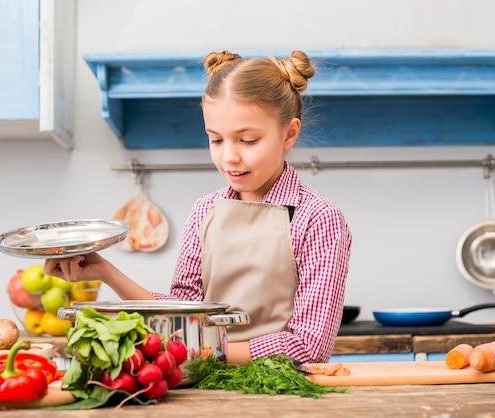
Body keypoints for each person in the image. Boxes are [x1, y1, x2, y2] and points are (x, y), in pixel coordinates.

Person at [44, 50, 352, 365]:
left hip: (282, 395)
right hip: (204, 385)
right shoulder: (205, 210)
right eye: (216, 140)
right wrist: (104, 271)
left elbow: (309, 346)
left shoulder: (317, 217)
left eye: (247, 140)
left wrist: (201, 353)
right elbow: (182, 312)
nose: (229, 157)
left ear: (289, 133)